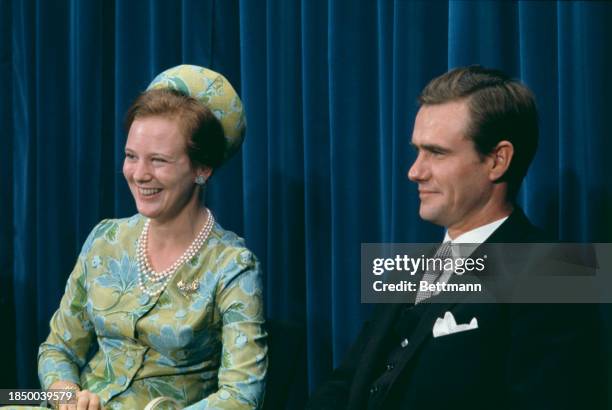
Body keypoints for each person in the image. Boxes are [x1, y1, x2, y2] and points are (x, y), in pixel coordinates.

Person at [307, 66, 603, 409]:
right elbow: (345, 384)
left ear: (497, 160)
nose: (414, 171)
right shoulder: (408, 269)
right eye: (416, 151)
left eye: (436, 152)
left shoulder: (559, 273)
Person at [37, 65, 267, 409]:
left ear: (202, 169)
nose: (139, 174)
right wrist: (68, 396)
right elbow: (58, 348)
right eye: (131, 157)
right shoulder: (105, 239)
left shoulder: (233, 267)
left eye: (158, 160)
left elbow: (242, 397)